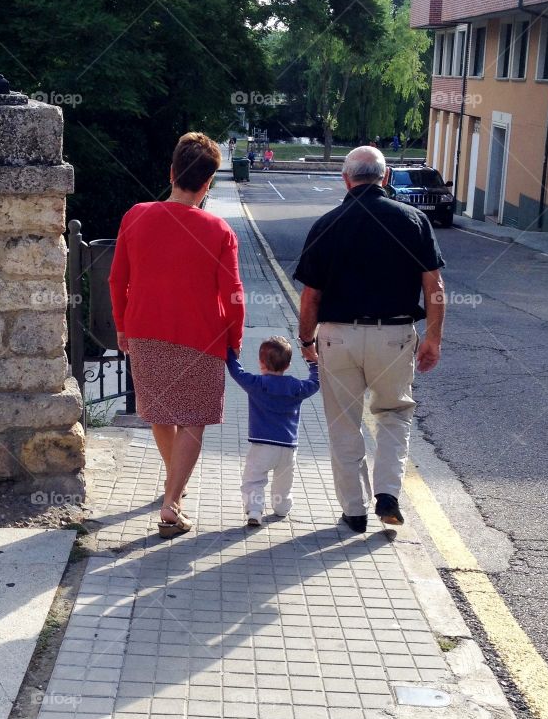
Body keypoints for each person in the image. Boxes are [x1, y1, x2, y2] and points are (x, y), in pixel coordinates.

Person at [293, 145, 445, 534]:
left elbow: (310, 296)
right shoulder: (413, 221)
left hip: (337, 337)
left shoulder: (326, 224)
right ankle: (388, 494)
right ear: (385, 177)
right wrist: (433, 338)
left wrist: (306, 340)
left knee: (344, 423)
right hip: (394, 337)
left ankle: (355, 511)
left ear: (346, 179)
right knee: (394, 414)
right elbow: (434, 287)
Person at [110, 132, 244, 538]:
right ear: (208, 183)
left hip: (144, 330)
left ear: (171, 173)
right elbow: (233, 295)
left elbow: (117, 279)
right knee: (193, 421)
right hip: (202, 336)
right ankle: (171, 503)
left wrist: (121, 325)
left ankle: (174, 489)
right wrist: (235, 339)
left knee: (161, 413)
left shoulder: (135, 215)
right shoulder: (219, 230)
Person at [227, 336, 319, 527]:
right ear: (288, 365)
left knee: (254, 479)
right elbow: (315, 382)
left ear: (261, 362)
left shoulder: (257, 384)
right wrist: (313, 363)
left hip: (262, 445)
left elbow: (237, 372)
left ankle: (255, 510)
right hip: (288, 447)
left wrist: (230, 351)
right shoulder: (296, 386)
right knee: (284, 482)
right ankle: (282, 507)